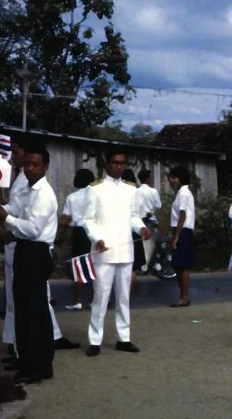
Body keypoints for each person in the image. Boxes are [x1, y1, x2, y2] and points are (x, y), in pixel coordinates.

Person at [0, 139, 58, 384]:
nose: (30, 169)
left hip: (36, 252)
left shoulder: (44, 195)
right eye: (27, 164)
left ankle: (38, 366)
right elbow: (14, 208)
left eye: (35, 165)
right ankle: (32, 362)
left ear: (45, 166)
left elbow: (33, 229)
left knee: (34, 311)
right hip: (24, 251)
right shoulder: (27, 189)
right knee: (25, 309)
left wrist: (8, 219)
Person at [82, 148, 152, 357]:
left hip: (125, 250)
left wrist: (142, 228)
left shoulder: (132, 189)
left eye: (123, 163)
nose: (119, 166)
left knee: (124, 298)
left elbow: (134, 217)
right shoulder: (94, 189)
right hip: (104, 251)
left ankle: (124, 338)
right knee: (100, 297)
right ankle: (95, 340)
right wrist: (96, 238)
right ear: (106, 164)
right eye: (115, 163)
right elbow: (88, 219)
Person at [60, 168, 96, 310]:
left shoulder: (72, 197)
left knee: (79, 265)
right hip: (93, 232)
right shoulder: (96, 196)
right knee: (95, 266)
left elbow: (67, 219)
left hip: (79, 232)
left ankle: (78, 300)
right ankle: (94, 300)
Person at [168, 166, 195, 308]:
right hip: (181, 230)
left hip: (183, 230)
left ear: (181, 179)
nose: (171, 181)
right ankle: (183, 296)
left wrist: (176, 236)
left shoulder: (183, 193)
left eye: (174, 178)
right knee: (178, 266)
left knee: (181, 265)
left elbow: (182, 215)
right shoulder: (181, 193)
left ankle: (184, 297)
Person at [135, 169, 162, 272]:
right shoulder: (153, 191)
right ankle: (150, 265)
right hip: (150, 220)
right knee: (152, 243)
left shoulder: (136, 191)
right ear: (147, 179)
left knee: (142, 243)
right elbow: (159, 206)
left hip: (139, 221)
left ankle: (143, 266)